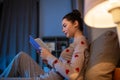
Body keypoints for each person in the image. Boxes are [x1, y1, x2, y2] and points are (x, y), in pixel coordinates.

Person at [0, 9, 89, 80]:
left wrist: (49, 57)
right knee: (21, 57)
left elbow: (73, 75)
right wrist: (47, 60)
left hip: (50, 78)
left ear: (75, 24)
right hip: (50, 75)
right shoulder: (75, 43)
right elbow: (61, 69)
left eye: (64, 25)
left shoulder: (81, 42)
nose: (62, 30)